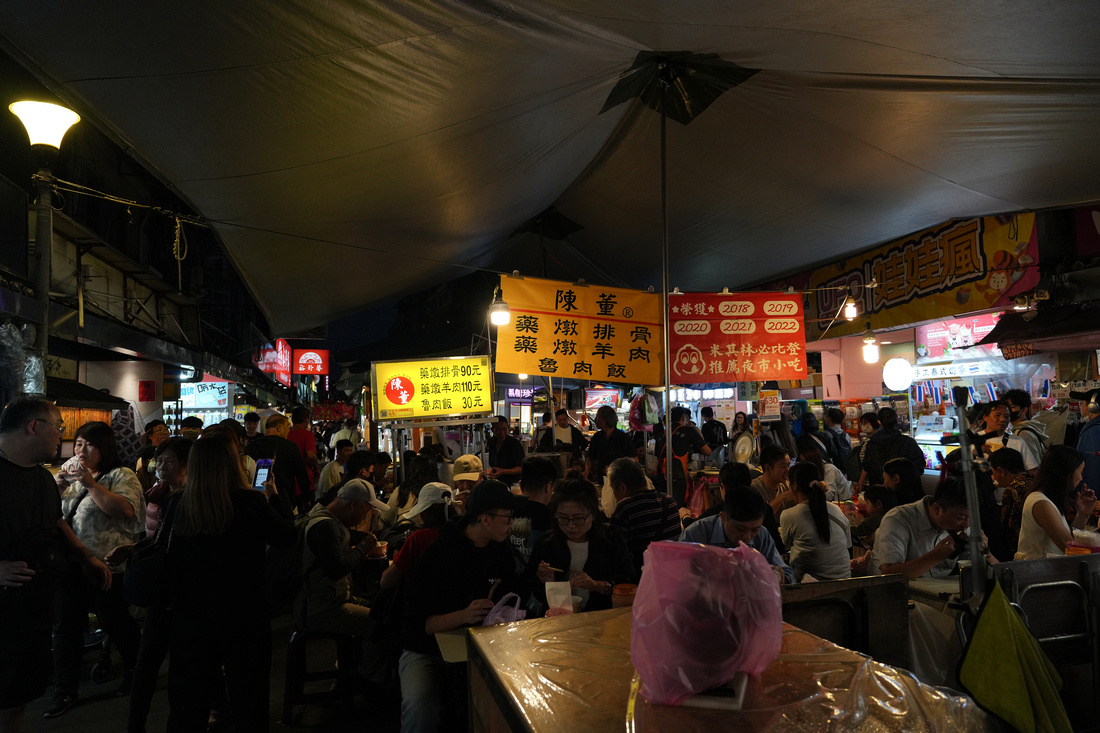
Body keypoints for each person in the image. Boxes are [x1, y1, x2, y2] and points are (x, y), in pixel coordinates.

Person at [165, 432, 295, 731]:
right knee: (249, 698)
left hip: (192, 616)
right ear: (232, 464)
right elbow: (286, 537)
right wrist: (273, 495)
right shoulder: (250, 501)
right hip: (245, 613)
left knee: (188, 704)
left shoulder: (178, 504)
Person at [0, 398, 110, 731]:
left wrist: (85, 556)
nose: (61, 437)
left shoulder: (43, 479)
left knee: (15, 702)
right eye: (59, 428)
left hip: (30, 613)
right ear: (34, 427)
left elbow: (55, 522)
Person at [398, 480, 519, 732]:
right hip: (425, 650)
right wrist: (465, 615)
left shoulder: (501, 550)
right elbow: (421, 625)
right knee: (420, 706)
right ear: (485, 519)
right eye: (507, 518)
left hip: (479, 648)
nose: (511, 525)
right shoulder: (440, 554)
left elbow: (510, 593)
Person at [48, 421, 146, 718]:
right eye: (78, 444)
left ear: (104, 448)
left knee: (115, 620)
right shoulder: (69, 478)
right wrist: (59, 487)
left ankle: (136, 670)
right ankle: (64, 689)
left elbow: (126, 511)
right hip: (72, 564)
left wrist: (91, 483)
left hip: (107, 565)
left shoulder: (121, 475)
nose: (81, 450)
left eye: (88, 444)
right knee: (66, 626)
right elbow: (54, 516)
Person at [105, 436, 191, 733]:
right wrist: (132, 548)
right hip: (162, 593)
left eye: (169, 461)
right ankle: (135, 725)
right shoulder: (164, 494)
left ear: (187, 465)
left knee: (183, 667)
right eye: (159, 461)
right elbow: (159, 543)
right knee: (147, 664)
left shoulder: (189, 499)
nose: (161, 467)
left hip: (181, 596)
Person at [527, 477, 635, 612]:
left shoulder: (611, 539)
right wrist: (546, 583)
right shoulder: (546, 543)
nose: (571, 526)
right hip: (559, 621)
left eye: (578, 518)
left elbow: (629, 582)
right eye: (563, 518)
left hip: (601, 620)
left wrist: (598, 586)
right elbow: (530, 590)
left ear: (594, 514)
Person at [295, 479, 380, 640]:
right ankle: (366, 666)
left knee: (377, 608)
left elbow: (348, 538)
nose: (364, 519)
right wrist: (362, 549)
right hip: (320, 609)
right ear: (354, 505)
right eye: (365, 512)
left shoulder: (325, 517)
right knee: (380, 623)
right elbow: (337, 569)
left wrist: (365, 540)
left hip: (329, 600)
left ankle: (355, 660)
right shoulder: (326, 526)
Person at [870, 478, 993, 579]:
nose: (966, 525)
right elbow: (889, 575)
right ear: (937, 508)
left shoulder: (962, 524)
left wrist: (985, 553)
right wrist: (937, 555)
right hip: (895, 596)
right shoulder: (899, 520)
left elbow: (990, 572)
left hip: (935, 595)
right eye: (961, 517)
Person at [679, 485, 793, 583]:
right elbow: (679, 580)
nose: (747, 537)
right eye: (740, 529)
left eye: (754, 530)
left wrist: (779, 577)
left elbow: (788, 574)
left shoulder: (762, 535)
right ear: (723, 517)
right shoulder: (694, 535)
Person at [1016, 445, 1097, 560]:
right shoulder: (1041, 503)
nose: (1081, 478)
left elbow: (1069, 539)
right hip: (1038, 573)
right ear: (1066, 473)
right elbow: (1069, 547)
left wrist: (1083, 514)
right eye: (1080, 472)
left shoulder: (1050, 499)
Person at [608, 457, 683, 575]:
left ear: (622, 487)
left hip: (642, 579)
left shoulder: (625, 508)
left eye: (613, 489)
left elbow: (615, 553)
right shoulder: (669, 501)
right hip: (672, 574)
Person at [779, 464, 851, 581]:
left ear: (795, 486)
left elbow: (785, 547)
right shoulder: (836, 510)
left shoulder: (789, 515)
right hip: (845, 581)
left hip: (811, 587)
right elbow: (848, 546)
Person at [379, 484, 453, 592]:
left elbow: (386, 582)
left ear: (425, 511)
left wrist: (398, 555)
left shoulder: (418, 539)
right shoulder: (463, 532)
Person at [245, 412, 309, 518]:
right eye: (287, 427)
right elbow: (301, 474)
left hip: (258, 501)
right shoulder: (290, 446)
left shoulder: (251, 447)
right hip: (285, 500)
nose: (289, 430)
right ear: (279, 427)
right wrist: (307, 498)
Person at [510, 456, 557, 573]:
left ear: (520, 485)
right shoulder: (555, 519)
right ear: (548, 486)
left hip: (507, 586)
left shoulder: (506, 514)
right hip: (541, 587)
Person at [858, 407, 924, 487]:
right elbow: (919, 465)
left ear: (879, 422)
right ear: (897, 421)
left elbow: (866, 466)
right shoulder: (908, 442)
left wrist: (860, 483)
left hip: (879, 490)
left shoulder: (872, 442)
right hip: (904, 490)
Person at [988, 447, 1033, 556]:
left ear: (1001, 471)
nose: (993, 477)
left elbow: (1007, 526)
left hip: (1021, 549)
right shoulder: (1033, 481)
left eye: (994, 473)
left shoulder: (1011, 490)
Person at [663, 405, 711, 507]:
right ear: (683, 418)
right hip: (677, 474)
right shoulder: (688, 430)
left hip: (661, 474)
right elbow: (707, 451)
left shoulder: (663, 432)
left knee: (664, 505)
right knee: (678, 506)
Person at [977, 401, 1038, 473]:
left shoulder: (1017, 441)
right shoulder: (973, 440)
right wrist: (974, 453)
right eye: (997, 415)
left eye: (1006, 416)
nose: (1002, 419)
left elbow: (1032, 470)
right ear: (985, 417)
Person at [1003, 388, 1048, 473]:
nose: (1007, 411)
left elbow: (1034, 469)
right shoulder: (1022, 429)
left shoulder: (1024, 434)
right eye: (1006, 407)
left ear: (1024, 410)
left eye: (1012, 407)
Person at [587, 405, 633, 485]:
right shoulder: (597, 437)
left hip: (621, 479)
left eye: (598, 417)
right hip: (602, 478)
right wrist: (586, 471)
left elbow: (633, 459)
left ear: (606, 419)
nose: (595, 420)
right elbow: (590, 457)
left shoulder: (623, 437)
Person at [385, 455, 437, 524]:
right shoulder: (440, 490)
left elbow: (386, 517)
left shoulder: (403, 490)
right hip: (435, 533)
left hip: (407, 532)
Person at [1073, 388, 1100, 496]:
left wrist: (1084, 496)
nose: (1081, 407)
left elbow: (1090, 471)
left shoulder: (1094, 433)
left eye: (1082, 403)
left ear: (1092, 407)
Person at [287, 406, 321, 486]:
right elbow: (311, 456)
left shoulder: (286, 434)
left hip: (287, 478)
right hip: (304, 477)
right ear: (306, 419)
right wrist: (316, 469)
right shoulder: (308, 435)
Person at [487, 415, 524, 484]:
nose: (502, 433)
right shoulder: (491, 442)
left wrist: (502, 471)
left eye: (504, 429)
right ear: (492, 430)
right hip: (496, 482)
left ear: (508, 428)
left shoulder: (514, 444)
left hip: (513, 484)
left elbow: (521, 468)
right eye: (498, 430)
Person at [134, 419, 169, 492]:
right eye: (159, 430)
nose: (164, 433)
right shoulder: (143, 457)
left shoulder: (174, 451)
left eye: (166, 430)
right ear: (150, 436)